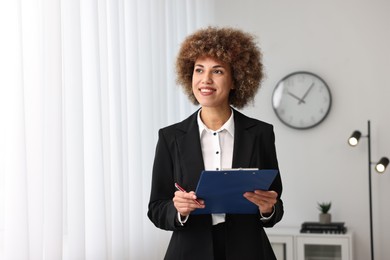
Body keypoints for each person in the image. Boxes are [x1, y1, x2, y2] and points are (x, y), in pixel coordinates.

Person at [147, 26, 283, 260]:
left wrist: (268, 208)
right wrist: (178, 210)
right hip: (189, 252)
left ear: (235, 79)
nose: (205, 79)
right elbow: (157, 209)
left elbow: (275, 201)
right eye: (199, 70)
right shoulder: (170, 137)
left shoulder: (260, 133)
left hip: (249, 251)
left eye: (217, 71)